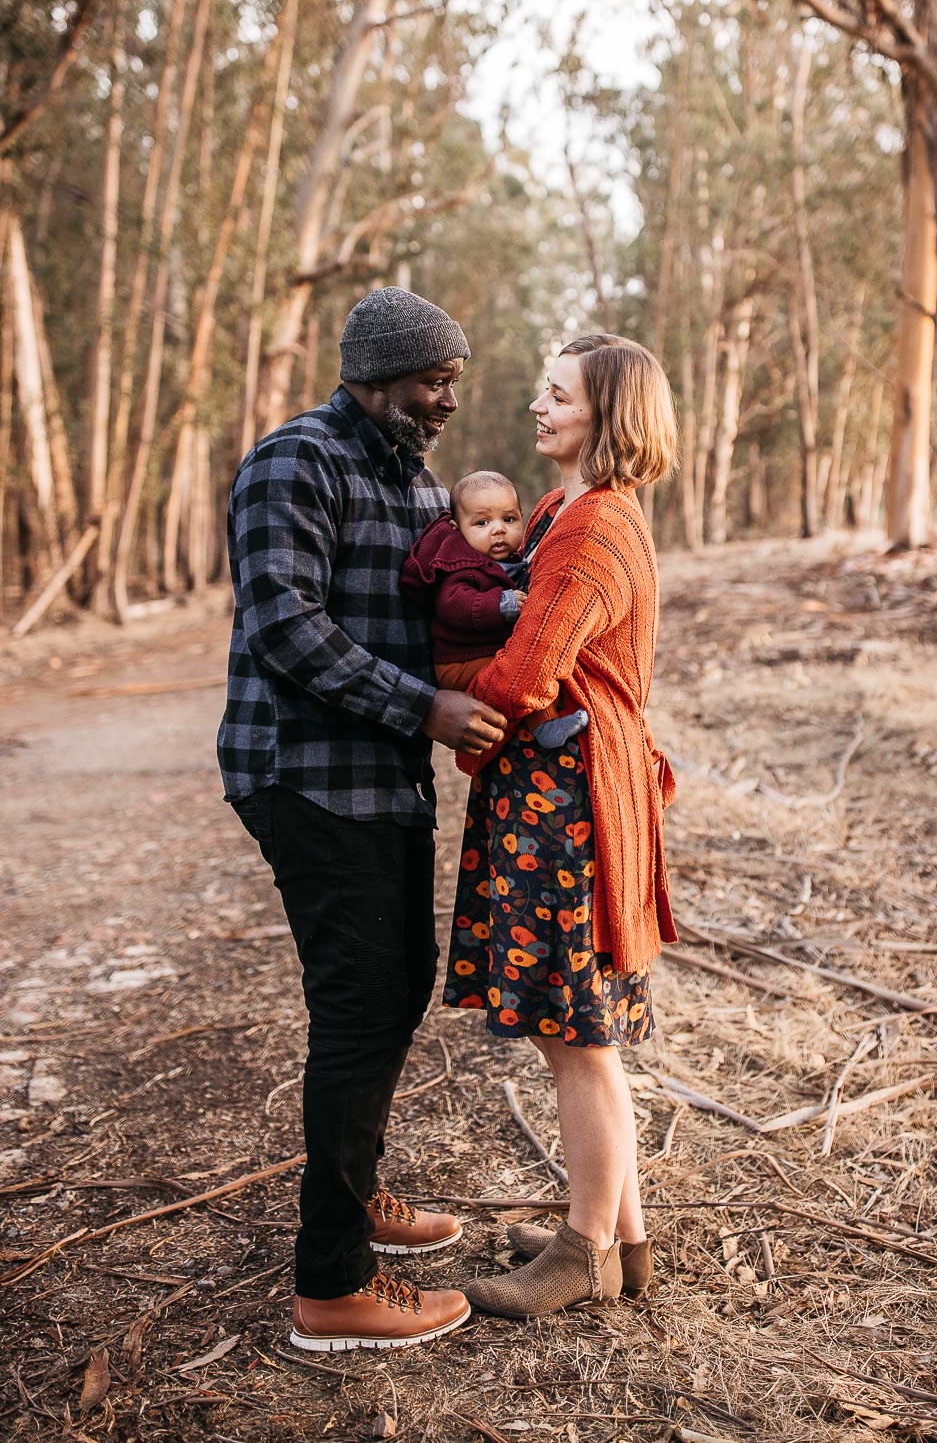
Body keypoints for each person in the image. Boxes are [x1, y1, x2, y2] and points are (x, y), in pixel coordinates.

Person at [217, 287, 505, 1352]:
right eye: (434, 381)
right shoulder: (295, 461)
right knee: (357, 1002)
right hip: (301, 771)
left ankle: (358, 1190)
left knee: (396, 986)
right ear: (377, 375)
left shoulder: (421, 485)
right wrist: (424, 707)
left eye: (454, 382)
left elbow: (451, 603)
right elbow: (285, 625)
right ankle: (332, 1281)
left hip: (384, 780)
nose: (447, 402)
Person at [443, 333, 678, 1318]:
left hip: (566, 800)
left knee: (578, 1033)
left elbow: (529, 670)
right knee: (577, 1027)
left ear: (607, 414)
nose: (538, 406)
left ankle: (584, 1250)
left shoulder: (593, 527)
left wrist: (450, 708)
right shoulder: (558, 509)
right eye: (543, 390)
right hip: (557, 786)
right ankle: (625, 1241)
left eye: (559, 395)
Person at [399, 470, 589, 750]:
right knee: (519, 672)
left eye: (508, 519)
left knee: (524, 666)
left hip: (483, 653)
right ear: (457, 529)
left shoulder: (512, 559)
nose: (498, 529)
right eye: (482, 522)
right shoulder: (461, 566)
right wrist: (500, 604)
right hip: (461, 661)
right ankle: (545, 726)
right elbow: (454, 605)